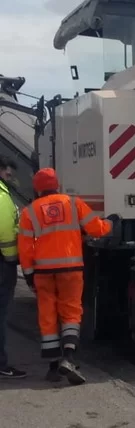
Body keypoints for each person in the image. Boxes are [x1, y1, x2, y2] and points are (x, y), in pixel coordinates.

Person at [17, 168, 114, 385]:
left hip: (43, 272)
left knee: (47, 315)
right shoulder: (73, 203)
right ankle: (68, 358)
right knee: (71, 311)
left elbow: (25, 248)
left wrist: (29, 274)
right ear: (57, 185)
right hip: (71, 270)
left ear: (37, 188)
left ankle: (52, 368)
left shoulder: (29, 211)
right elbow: (96, 229)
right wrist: (111, 223)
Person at [0, 155, 26, 379]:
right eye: (8, 173)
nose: (11, 178)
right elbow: (6, 231)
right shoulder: (1, 196)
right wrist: (11, 257)